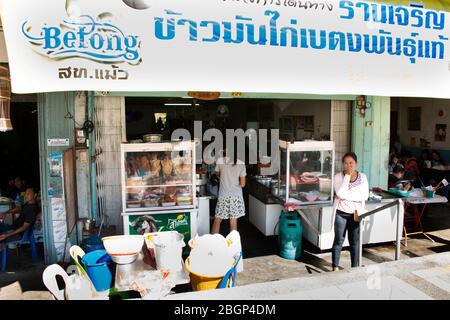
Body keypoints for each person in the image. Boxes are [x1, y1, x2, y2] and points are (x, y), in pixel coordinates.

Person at [332, 152, 369, 271]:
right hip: (340, 213)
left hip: (355, 214)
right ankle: (335, 266)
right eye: (346, 163)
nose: (348, 166)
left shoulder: (362, 177)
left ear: (356, 164)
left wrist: (346, 195)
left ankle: (355, 267)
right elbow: (339, 193)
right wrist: (347, 177)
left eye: (351, 163)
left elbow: (364, 196)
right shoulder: (338, 177)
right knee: (338, 240)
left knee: (354, 241)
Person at [211, 148, 246, 234]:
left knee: (218, 219)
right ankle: (233, 246)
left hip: (223, 196)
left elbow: (217, 173)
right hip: (236, 196)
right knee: (233, 221)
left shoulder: (220, 161)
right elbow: (242, 184)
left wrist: (223, 176)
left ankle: (212, 244)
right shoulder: (241, 163)